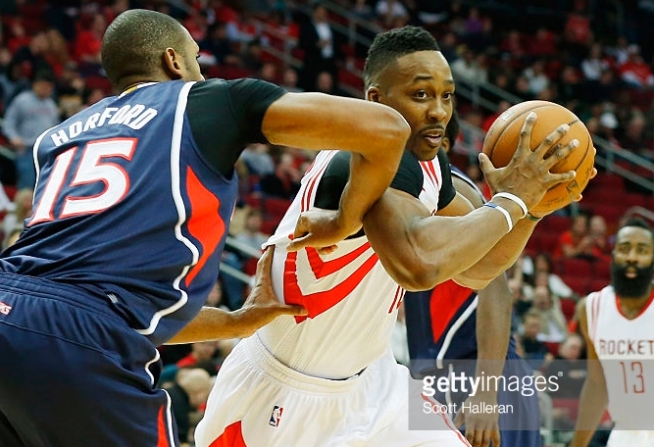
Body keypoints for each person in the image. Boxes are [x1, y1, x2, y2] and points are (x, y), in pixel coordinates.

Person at [0, 9, 414, 447]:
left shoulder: (59, 138)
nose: (202, 71)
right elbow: (388, 127)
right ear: (174, 62)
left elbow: (89, 301)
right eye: (197, 58)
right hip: (87, 343)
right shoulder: (204, 101)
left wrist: (236, 321)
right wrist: (345, 220)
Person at [195, 25, 582, 447]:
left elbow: (482, 271)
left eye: (446, 95)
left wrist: (532, 210)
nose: (438, 111)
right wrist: (512, 202)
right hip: (286, 394)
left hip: (373, 381)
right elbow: (418, 266)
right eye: (421, 95)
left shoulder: (428, 161)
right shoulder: (361, 163)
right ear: (376, 101)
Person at [404, 113, 542, 447]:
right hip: (446, 375)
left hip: (479, 375)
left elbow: (496, 290)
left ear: (443, 146)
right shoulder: (401, 192)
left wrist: (485, 391)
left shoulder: (452, 189)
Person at [570, 217, 654, 447]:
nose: (632, 257)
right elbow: (597, 384)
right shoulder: (592, 308)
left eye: (642, 250)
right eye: (625, 248)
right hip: (625, 433)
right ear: (613, 253)